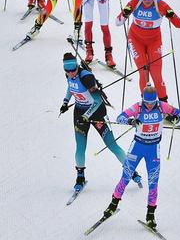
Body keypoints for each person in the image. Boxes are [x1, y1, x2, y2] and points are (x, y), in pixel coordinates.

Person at [102, 85, 180, 230]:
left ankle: (150, 215)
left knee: (153, 182)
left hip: (153, 150)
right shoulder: (138, 107)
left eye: (152, 102)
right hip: (137, 148)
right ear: (142, 98)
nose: (149, 105)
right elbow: (120, 117)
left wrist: (175, 117)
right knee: (126, 176)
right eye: (147, 102)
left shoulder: (162, 106)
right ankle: (113, 205)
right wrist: (131, 121)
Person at [59, 53, 141, 191]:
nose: (70, 72)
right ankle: (80, 176)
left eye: (73, 69)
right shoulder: (69, 75)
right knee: (80, 147)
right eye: (67, 70)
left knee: (112, 145)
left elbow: (97, 101)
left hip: (97, 114)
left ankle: (131, 171)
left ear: (77, 66)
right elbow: (70, 86)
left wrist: (87, 115)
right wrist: (65, 102)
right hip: (80, 114)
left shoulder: (86, 77)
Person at [115, 0, 180, 101]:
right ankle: (146, 102)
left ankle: (163, 103)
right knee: (144, 72)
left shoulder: (161, 5)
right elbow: (118, 22)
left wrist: (171, 15)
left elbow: (179, 25)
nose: (147, 1)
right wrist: (125, 14)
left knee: (156, 74)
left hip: (154, 41)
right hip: (135, 40)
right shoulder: (135, 2)